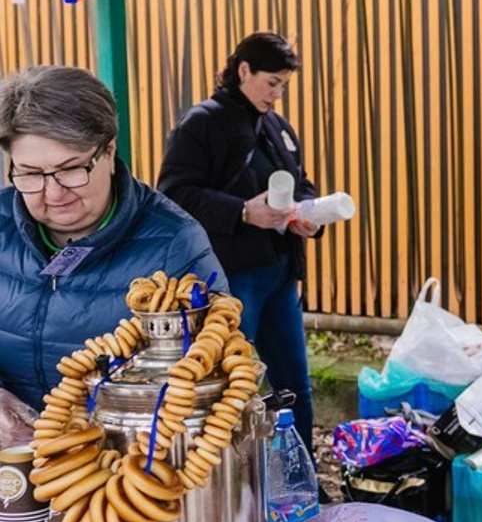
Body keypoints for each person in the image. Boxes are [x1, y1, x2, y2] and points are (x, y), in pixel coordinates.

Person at [0, 66, 222, 446]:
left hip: (124, 474)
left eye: (71, 170)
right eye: (31, 174)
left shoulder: (175, 244)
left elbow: (214, 376)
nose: (53, 193)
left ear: (108, 151)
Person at [157, 33, 321, 454]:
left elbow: (299, 184)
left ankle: (301, 479)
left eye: (283, 85)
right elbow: (174, 192)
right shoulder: (202, 123)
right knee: (231, 388)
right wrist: (243, 212)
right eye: (272, 83)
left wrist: (309, 215)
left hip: (280, 274)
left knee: (293, 385)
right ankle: (233, 484)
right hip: (231, 281)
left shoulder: (276, 126)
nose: (277, 94)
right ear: (244, 70)